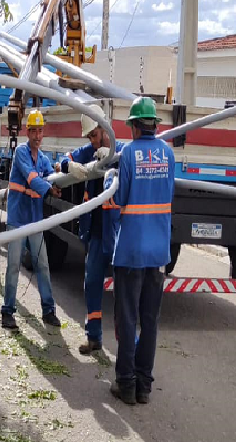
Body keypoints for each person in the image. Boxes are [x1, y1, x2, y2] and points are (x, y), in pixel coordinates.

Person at [108, 97, 175, 405]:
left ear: (135, 126)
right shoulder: (168, 154)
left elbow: (119, 201)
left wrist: (110, 183)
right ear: (154, 125)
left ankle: (125, 384)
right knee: (149, 321)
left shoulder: (128, 154)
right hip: (159, 253)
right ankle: (144, 385)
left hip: (132, 251)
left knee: (127, 317)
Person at [57, 104, 124, 355]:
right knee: (92, 283)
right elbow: (63, 161)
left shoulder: (121, 150)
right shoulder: (89, 152)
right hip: (96, 232)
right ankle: (93, 337)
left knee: (123, 292)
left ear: (105, 128)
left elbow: (130, 164)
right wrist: (68, 166)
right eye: (89, 137)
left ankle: (126, 346)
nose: (93, 142)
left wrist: (113, 157)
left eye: (95, 136)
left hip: (117, 234)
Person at [1, 109, 63, 330]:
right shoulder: (21, 153)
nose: (37, 135)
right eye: (34, 131)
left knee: (42, 265)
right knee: (13, 266)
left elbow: (51, 174)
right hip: (18, 218)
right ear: (28, 132)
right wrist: (49, 190)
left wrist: (59, 175)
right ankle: (7, 311)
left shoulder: (43, 159)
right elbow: (32, 178)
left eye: (40, 131)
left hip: (35, 219)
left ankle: (48, 311)